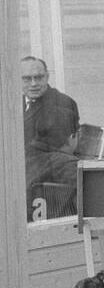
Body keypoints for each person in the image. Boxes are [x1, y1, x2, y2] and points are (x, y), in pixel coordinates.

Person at [21, 55, 80, 220]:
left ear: (47, 77)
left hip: (45, 173)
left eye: (38, 77)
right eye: (27, 79)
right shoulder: (12, 103)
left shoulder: (61, 104)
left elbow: (57, 147)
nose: (33, 83)